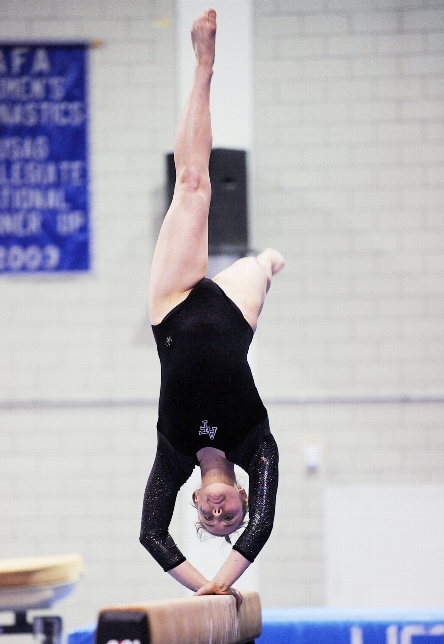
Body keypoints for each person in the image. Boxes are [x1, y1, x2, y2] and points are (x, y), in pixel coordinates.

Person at [140, 8, 284, 607]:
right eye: (232, 519)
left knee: (193, 184)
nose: (222, 515)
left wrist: (203, 590)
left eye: (212, 519)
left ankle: (203, 64)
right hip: (232, 316)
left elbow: (150, 533)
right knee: (268, 262)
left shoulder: (172, 458)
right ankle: (269, 261)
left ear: (196, 501)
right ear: (242, 499)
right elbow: (264, 528)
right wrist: (227, 581)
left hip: (172, 307)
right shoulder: (258, 446)